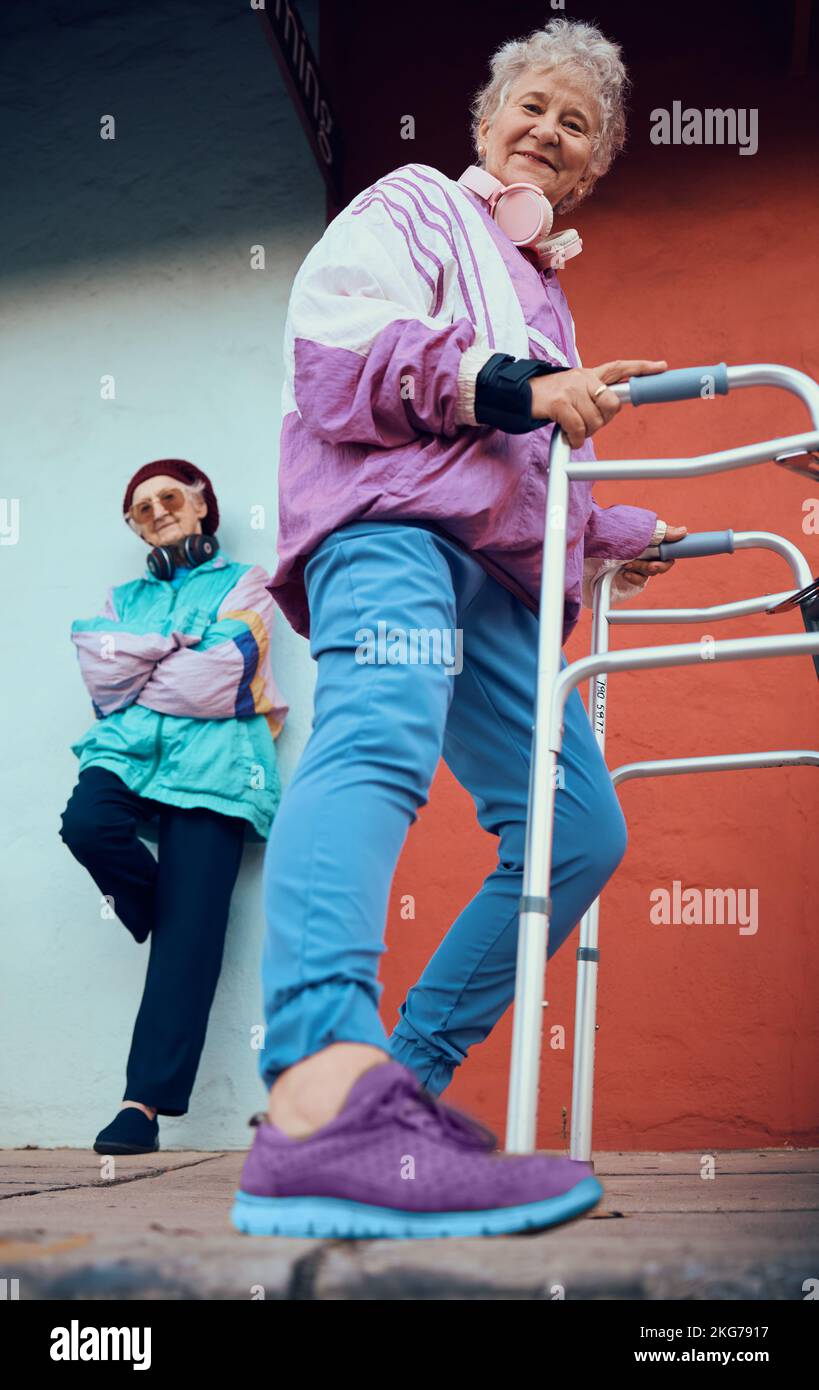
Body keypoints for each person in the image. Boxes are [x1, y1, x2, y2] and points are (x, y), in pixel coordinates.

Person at [232, 18, 688, 1239]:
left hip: (498, 579)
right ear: (487, 124)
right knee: (378, 730)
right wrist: (514, 386)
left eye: (575, 124)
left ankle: (399, 1098)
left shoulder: (546, 300)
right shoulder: (417, 205)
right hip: (387, 531)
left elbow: (535, 474)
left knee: (576, 830)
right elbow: (340, 348)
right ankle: (326, 1088)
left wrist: (634, 533)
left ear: (589, 170)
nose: (547, 129)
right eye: (530, 106)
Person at [59, 459, 288, 1155]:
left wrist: (144, 666)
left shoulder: (247, 583)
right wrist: (172, 654)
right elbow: (102, 679)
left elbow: (224, 677)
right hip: (126, 754)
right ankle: (174, 915)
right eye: (140, 508)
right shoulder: (121, 597)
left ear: (200, 508)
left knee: (188, 939)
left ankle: (142, 1105)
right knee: (87, 825)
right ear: (134, 527)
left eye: (169, 498)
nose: (156, 511)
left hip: (219, 771)